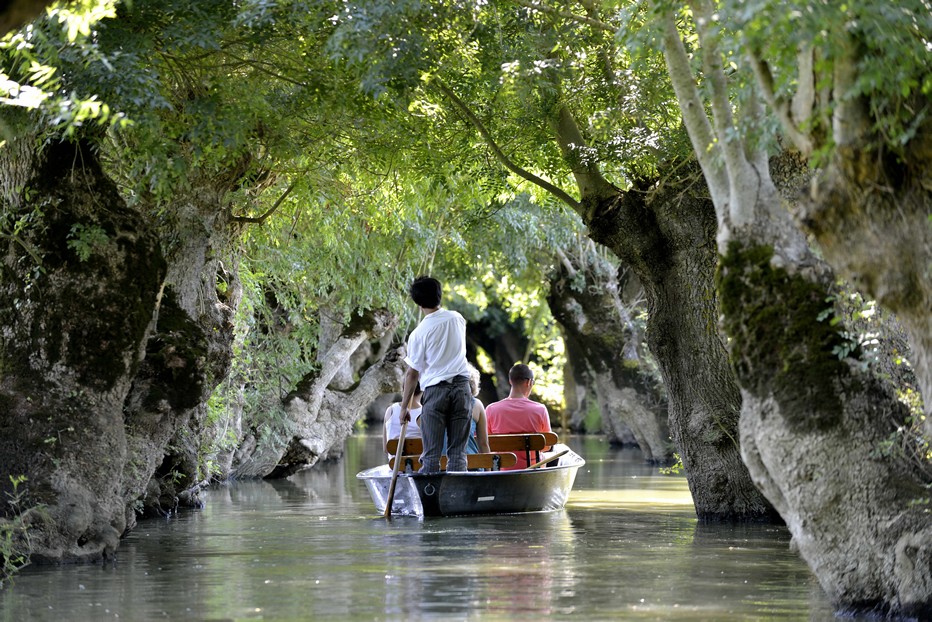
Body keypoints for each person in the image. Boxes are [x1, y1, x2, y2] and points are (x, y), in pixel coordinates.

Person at [399, 276, 472, 473]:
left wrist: (404, 407)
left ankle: (429, 497)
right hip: (462, 388)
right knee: (458, 455)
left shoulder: (418, 333)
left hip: (436, 391)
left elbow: (412, 374)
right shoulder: (457, 319)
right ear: (440, 295)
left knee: (431, 456)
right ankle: (457, 496)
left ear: (418, 303)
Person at [486, 363, 552, 470]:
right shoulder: (540, 409)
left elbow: (486, 443)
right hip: (532, 468)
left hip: (502, 469)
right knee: (544, 456)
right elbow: (546, 445)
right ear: (529, 382)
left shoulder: (491, 409)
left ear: (510, 381)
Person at [435, 364, 491, 455]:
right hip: (471, 463)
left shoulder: (436, 405)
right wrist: (489, 468)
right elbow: (483, 443)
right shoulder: (476, 405)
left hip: (441, 465)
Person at [383, 383, 423, 458]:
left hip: (394, 466)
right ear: (423, 390)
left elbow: (386, 449)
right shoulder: (425, 413)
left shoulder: (390, 410)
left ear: (403, 389)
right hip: (418, 467)